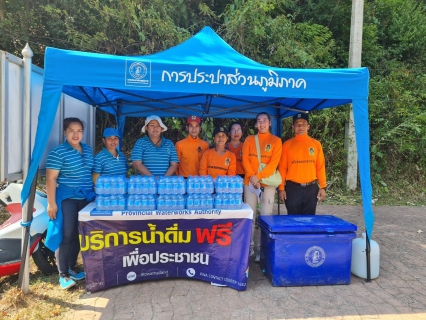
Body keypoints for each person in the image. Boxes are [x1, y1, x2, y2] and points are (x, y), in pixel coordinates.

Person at [45, 117, 96, 290]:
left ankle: (73, 267)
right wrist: (51, 203)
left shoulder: (87, 150)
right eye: (72, 130)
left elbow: (91, 172)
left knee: (79, 234)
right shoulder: (58, 152)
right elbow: (51, 178)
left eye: (79, 131)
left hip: (86, 197)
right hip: (67, 198)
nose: (76, 134)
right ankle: (63, 274)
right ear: (65, 132)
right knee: (66, 235)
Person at [242, 112, 282, 261]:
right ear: (256, 124)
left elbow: (273, 164)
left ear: (270, 123)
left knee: (265, 217)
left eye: (265, 120)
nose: (262, 123)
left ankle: (263, 250)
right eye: (259, 121)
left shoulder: (276, 141)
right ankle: (249, 248)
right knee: (250, 216)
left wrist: (258, 177)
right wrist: (253, 177)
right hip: (250, 184)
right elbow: (245, 159)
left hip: (267, 184)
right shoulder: (249, 139)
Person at [278, 113, 326, 214]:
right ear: (293, 127)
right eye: (297, 124)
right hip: (292, 189)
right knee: (293, 220)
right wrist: (281, 188)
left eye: (303, 124)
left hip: (311, 189)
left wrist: (323, 187)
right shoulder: (287, 145)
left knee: (309, 221)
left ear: (308, 126)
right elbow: (282, 168)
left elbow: (320, 167)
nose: (301, 127)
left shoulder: (316, 144)